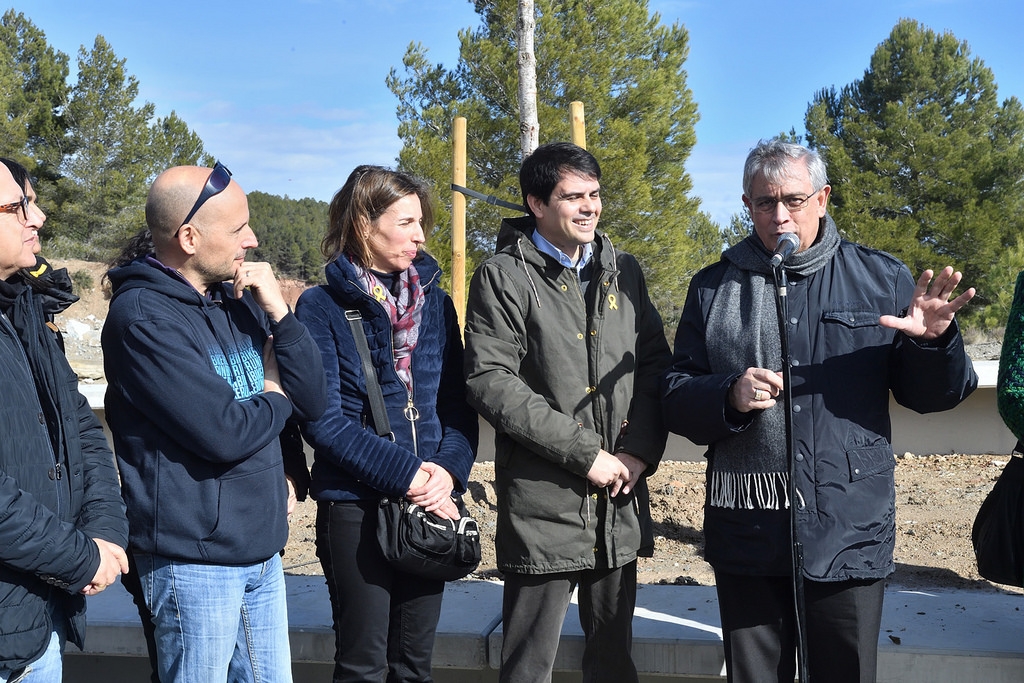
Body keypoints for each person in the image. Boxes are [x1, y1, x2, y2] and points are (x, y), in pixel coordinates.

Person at [662, 139, 978, 683]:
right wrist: (727, 396)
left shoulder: (880, 279)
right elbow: (674, 394)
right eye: (764, 202)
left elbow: (934, 397)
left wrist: (931, 344)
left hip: (848, 526)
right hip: (748, 529)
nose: (779, 215)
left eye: (793, 199)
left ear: (823, 198)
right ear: (747, 204)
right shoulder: (714, 287)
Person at [101, 163, 327, 683]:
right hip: (192, 563)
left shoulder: (236, 301)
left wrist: (279, 313)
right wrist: (273, 388)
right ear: (188, 236)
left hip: (261, 551)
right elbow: (224, 432)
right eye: (238, 228)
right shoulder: (144, 319)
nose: (252, 238)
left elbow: (314, 400)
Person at [463, 142, 671, 682]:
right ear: (535, 203)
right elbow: (490, 381)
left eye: (595, 194)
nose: (589, 207)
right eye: (572, 196)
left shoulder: (623, 270)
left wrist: (637, 453)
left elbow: (653, 367)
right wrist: (587, 456)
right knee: (529, 665)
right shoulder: (502, 276)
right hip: (544, 506)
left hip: (617, 499)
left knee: (613, 660)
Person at [294, 165, 478, 683]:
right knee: (363, 667)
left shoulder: (436, 303)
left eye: (421, 223)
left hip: (432, 506)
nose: (420, 236)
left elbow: (457, 407)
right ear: (362, 224)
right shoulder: (321, 307)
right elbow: (324, 421)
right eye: (405, 222)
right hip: (355, 508)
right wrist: (414, 477)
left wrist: (448, 474)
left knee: (415, 666)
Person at [0, 157, 129, 681]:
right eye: (18, 206)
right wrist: (79, 559)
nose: (39, 217)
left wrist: (104, 532)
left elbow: (77, 425)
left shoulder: (22, 307)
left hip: (34, 619)